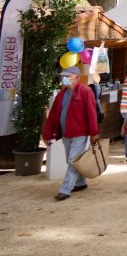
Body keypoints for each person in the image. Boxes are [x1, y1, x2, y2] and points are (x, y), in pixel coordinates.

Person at [43, 66, 100, 201]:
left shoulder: (85, 91)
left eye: (68, 76)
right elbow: (53, 116)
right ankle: (80, 183)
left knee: (72, 160)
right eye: (64, 76)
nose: (65, 78)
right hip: (65, 133)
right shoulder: (61, 95)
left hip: (80, 133)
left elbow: (91, 113)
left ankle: (65, 189)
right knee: (73, 159)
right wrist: (47, 134)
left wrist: (94, 133)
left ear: (77, 78)